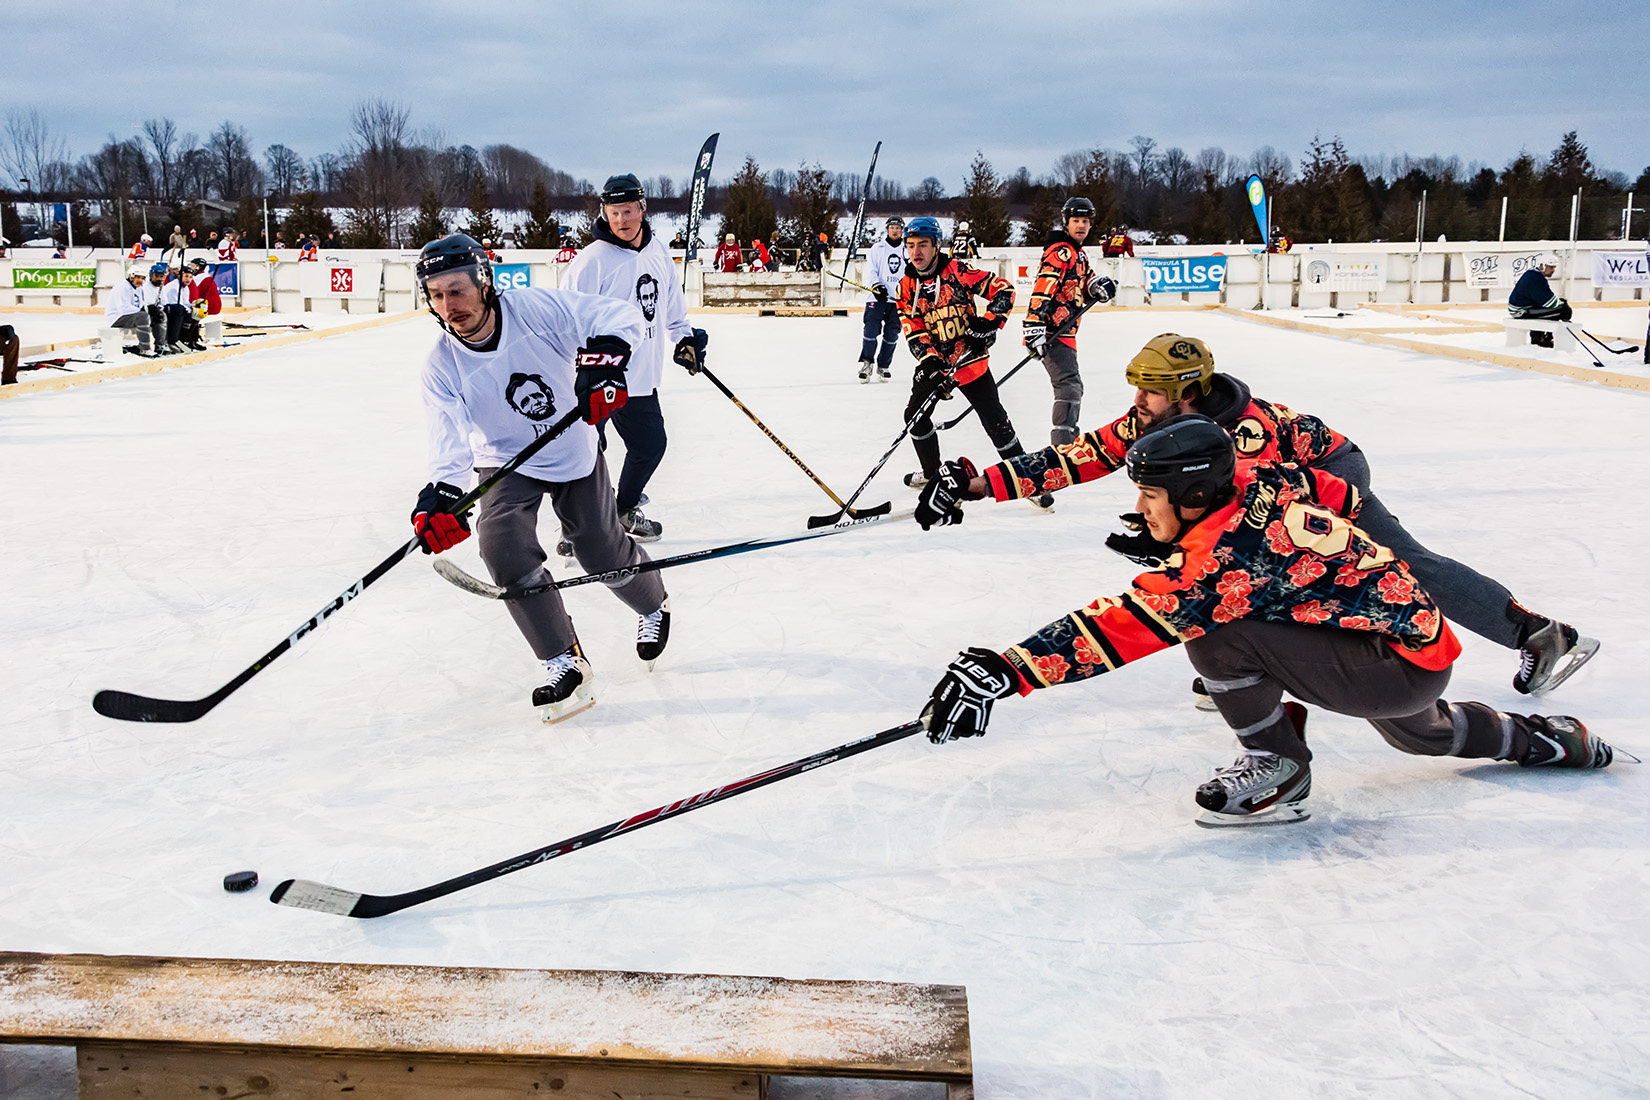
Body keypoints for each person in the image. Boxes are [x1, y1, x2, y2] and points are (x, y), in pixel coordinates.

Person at [917, 415, 1619, 827]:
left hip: (1387, 659)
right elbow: (1333, 488)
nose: (1141, 508)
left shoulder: (1227, 561)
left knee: (1217, 638)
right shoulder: (1262, 479)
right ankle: (1548, 741)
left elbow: (1125, 624)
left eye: (1150, 496)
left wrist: (1004, 671)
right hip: (1409, 640)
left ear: (1195, 491)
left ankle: (1281, 765)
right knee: (1421, 736)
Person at [935, 332, 1597, 698]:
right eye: (1135, 388)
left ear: (1186, 393)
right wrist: (977, 484)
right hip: (1276, 494)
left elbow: (1259, 529)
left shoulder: (1245, 434)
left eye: (1150, 391)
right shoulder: (1155, 422)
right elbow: (1077, 459)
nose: (1136, 401)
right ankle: (1249, 664)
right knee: (1225, 564)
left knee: (1398, 565)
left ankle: (1539, 634)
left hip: (1331, 476)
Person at [413, 232, 670, 724]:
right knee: (501, 545)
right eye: (438, 294)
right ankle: (563, 659)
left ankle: (654, 604)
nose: (450, 305)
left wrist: (608, 359)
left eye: (458, 289)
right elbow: (447, 440)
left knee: (600, 552)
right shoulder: (441, 364)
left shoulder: (534, 310)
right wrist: (440, 496)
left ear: (484, 283)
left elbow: (619, 317)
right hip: (505, 460)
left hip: (571, 448)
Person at [562, 173, 707, 544]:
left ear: (642, 209)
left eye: (628, 211)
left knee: (650, 446)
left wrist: (685, 339)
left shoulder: (658, 252)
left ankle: (623, 508)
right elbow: (565, 318)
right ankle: (577, 528)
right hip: (596, 376)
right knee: (584, 452)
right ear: (604, 214)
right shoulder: (591, 260)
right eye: (614, 213)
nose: (622, 220)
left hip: (641, 378)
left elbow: (673, 309)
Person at [893, 217, 1047, 510]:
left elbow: (1004, 291)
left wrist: (988, 324)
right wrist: (930, 364)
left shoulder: (958, 272)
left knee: (995, 421)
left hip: (970, 363)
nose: (916, 252)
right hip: (936, 367)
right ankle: (932, 474)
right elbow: (913, 328)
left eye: (923, 245)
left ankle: (1026, 478)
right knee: (915, 417)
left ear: (937, 245)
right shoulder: (906, 286)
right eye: (911, 246)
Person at [1024, 197, 1116, 445]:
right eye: (1076, 220)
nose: (1081, 226)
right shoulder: (1061, 252)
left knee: (1071, 385)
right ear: (1066, 222)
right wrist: (1034, 325)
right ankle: (1063, 445)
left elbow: (1085, 284)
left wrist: (1099, 287)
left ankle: (1065, 440)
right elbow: (1044, 287)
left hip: (1065, 330)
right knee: (1069, 386)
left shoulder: (1079, 254)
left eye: (1085, 221)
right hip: (1053, 330)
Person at [858, 215, 906, 383]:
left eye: (898, 227)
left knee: (892, 334)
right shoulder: (877, 249)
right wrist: (877, 286)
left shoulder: (906, 251)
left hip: (898, 300)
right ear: (887, 229)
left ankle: (883, 365)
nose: (895, 230)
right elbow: (871, 271)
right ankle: (867, 363)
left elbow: (910, 275)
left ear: (902, 230)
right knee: (870, 330)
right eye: (892, 227)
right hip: (877, 298)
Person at [1508, 253, 1570, 347]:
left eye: (1554, 267)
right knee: (1565, 311)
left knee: (1555, 310)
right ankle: (1545, 338)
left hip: (1521, 308)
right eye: (1551, 267)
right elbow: (1550, 303)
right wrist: (1562, 303)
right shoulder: (1536, 279)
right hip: (1521, 311)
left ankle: (1538, 336)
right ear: (1543, 266)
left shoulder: (1533, 273)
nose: (1553, 270)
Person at [104, 267, 156, 357]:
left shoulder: (138, 288)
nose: (140, 280)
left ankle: (161, 344)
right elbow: (123, 308)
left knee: (156, 315)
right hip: (117, 317)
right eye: (138, 277)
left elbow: (141, 303)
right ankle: (145, 348)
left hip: (130, 315)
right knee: (142, 316)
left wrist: (149, 309)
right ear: (131, 277)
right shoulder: (122, 287)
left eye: (142, 278)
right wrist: (141, 311)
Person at [158, 262, 196, 352]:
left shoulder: (185, 288)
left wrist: (194, 307)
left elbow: (185, 303)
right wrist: (189, 310)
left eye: (190, 277)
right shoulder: (174, 287)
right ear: (179, 275)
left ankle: (190, 339)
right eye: (186, 276)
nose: (188, 279)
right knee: (180, 311)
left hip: (176, 309)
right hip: (167, 310)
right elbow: (175, 304)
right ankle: (173, 340)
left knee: (196, 313)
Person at [188, 257, 222, 322]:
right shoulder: (206, 278)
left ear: (199, 267)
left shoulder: (200, 279)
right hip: (213, 308)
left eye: (193, 266)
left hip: (209, 309)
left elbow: (193, 296)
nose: (191, 268)